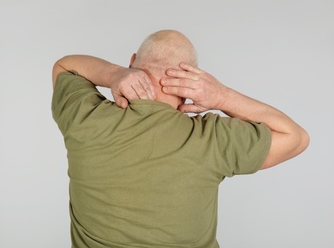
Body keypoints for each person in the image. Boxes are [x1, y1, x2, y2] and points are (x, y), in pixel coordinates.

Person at [51, 30, 309, 248]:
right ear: (194, 79)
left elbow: (64, 65)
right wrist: (221, 97)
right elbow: (296, 137)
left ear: (132, 62)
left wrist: (113, 74)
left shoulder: (86, 119)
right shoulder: (212, 139)